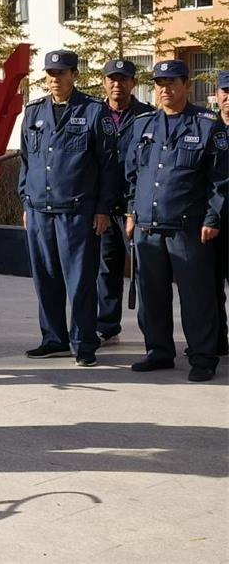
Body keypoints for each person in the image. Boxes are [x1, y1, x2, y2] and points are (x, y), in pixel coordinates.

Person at [125, 59, 227, 382]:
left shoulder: (207, 126)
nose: (164, 89)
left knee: (196, 299)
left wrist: (213, 217)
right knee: (152, 296)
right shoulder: (144, 125)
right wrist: (131, 211)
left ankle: (203, 358)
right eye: (159, 83)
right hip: (148, 226)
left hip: (188, 229)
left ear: (185, 84)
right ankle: (158, 351)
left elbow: (220, 180)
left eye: (171, 82)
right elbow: (132, 174)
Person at [18, 50, 119, 367]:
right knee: (45, 278)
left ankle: (84, 342)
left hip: (77, 212)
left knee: (80, 280)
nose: (54, 79)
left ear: (74, 75)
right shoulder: (33, 113)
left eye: (61, 73)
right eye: (50, 73)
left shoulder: (93, 112)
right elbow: (26, 161)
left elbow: (109, 165)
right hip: (38, 211)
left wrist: (103, 208)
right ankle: (54, 339)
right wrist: (25, 200)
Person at [96, 59, 153, 346]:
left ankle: (152, 333)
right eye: (112, 79)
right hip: (104, 207)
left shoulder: (148, 116)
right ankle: (107, 328)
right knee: (107, 269)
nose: (117, 85)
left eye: (124, 79)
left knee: (144, 272)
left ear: (133, 83)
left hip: (137, 207)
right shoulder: (94, 113)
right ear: (104, 82)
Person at [215, 70, 229, 356]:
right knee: (210, 286)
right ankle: (217, 341)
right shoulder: (205, 128)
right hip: (213, 223)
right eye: (224, 91)